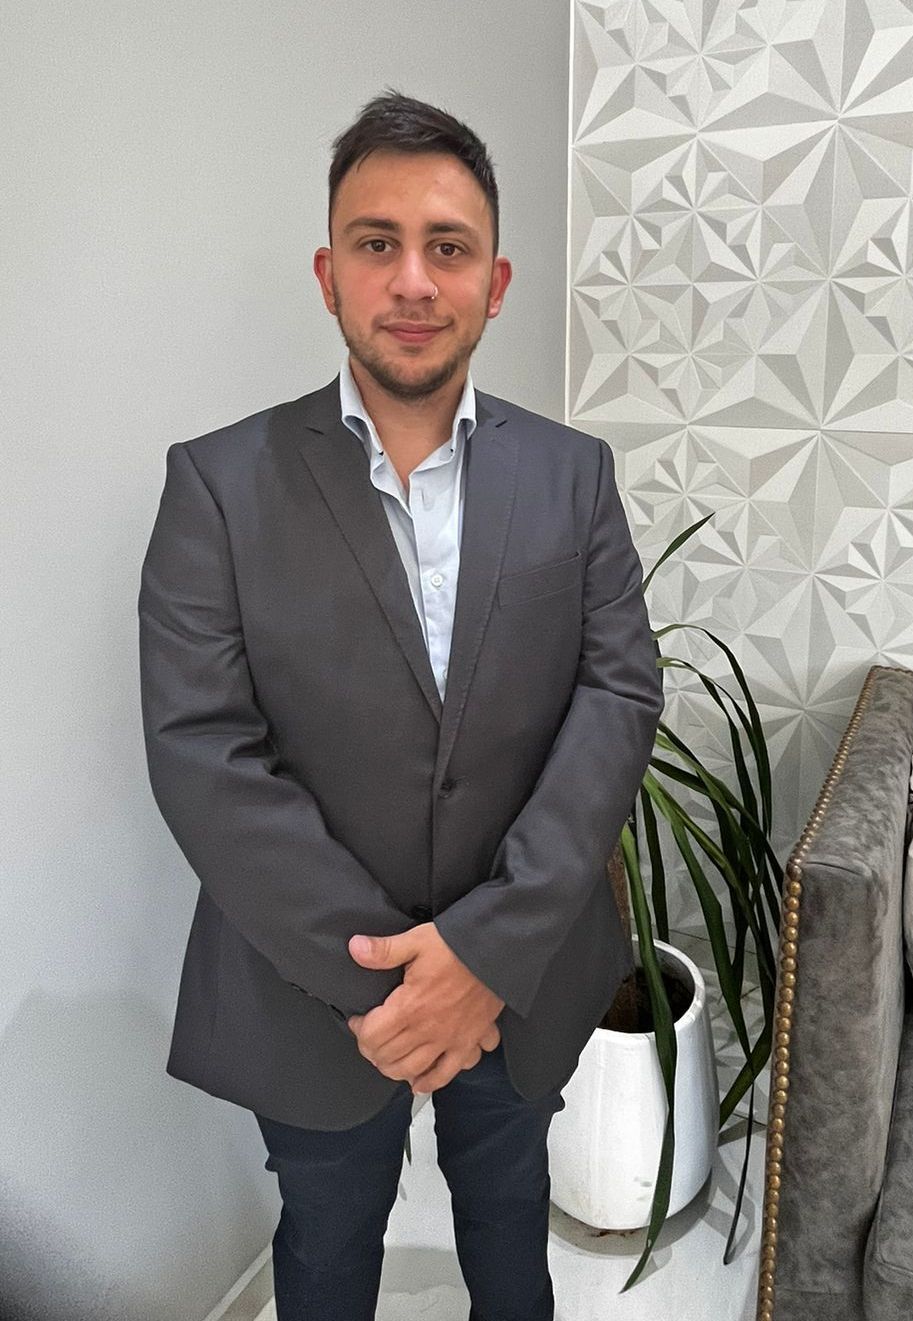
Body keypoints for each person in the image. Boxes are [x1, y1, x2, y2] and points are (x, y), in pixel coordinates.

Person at [138, 90, 664, 1321]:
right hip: (307, 987)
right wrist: (396, 988)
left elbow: (617, 689)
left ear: (497, 281)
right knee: (325, 1249)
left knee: (508, 1220)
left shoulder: (573, 474)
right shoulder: (217, 484)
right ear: (329, 274)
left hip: (524, 972)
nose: (414, 280)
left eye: (449, 246)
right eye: (378, 243)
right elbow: (202, 752)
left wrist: (486, 952)